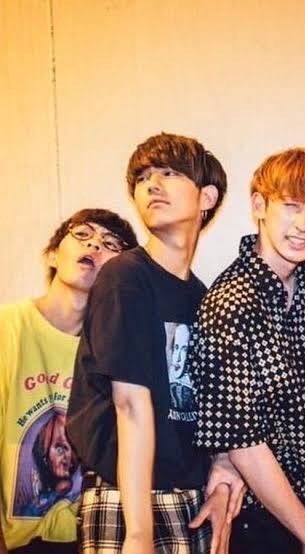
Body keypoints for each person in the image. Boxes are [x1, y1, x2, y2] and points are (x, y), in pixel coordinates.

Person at [66, 133, 242, 554]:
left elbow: (215, 410)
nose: (152, 185)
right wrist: (139, 533)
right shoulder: (125, 275)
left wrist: (221, 475)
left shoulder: (203, 297)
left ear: (207, 197)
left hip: (187, 496)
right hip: (128, 497)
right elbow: (129, 404)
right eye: (143, 178)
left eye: (169, 173)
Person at [190, 147, 305, 554]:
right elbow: (242, 443)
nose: (304, 224)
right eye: (291, 206)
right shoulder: (230, 303)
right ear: (259, 206)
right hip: (260, 517)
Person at [0, 208, 137, 554]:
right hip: (16, 540)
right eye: (82, 234)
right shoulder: (9, 328)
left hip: (94, 535)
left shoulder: (117, 346)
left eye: (111, 244)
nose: (95, 244)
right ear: (51, 254)